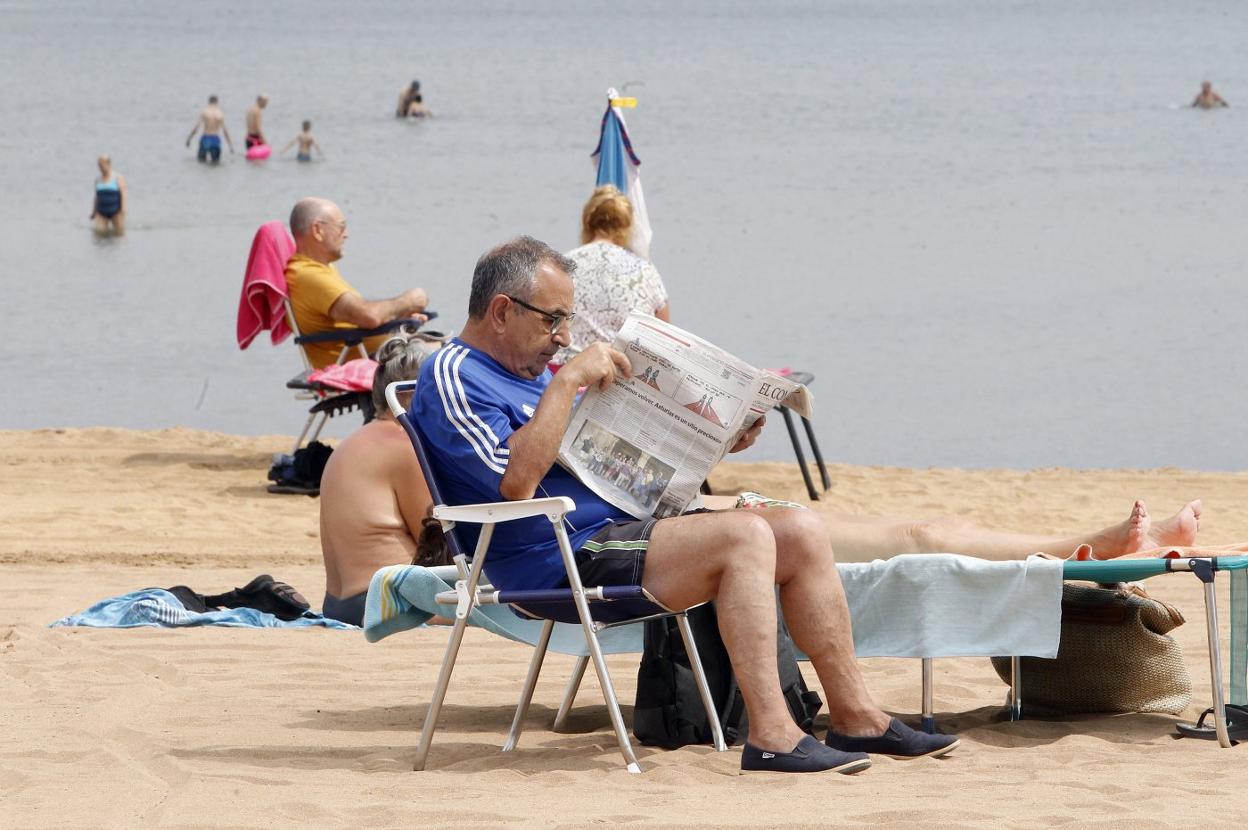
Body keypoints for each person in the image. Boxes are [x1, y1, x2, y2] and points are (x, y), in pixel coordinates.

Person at [411, 236, 960, 774]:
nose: (563, 338)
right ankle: (771, 734)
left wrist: (714, 439)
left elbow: (614, 462)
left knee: (798, 527)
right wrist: (569, 382)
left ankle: (856, 715)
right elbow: (515, 484)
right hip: (552, 559)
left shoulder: (535, 376)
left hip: (615, 530)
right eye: (553, 320)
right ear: (502, 311)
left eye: (567, 322)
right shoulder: (455, 374)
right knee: (744, 536)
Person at [319, 333, 448, 626]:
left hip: (340, 603)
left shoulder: (352, 442)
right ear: (411, 394)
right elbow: (436, 538)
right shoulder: (403, 445)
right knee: (511, 608)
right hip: (387, 601)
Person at [284, 197, 431, 369]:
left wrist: (398, 318)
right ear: (318, 230)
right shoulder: (308, 275)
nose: (346, 234)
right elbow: (369, 316)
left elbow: (354, 317)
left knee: (448, 350)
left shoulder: (321, 269)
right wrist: (412, 300)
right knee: (452, 360)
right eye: (341, 226)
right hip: (364, 364)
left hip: (378, 354)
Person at [556, 185, 669, 364]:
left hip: (564, 374)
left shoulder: (561, 265)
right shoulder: (645, 271)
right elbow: (664, 336)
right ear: (627, 227)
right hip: (619, 377)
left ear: (587, 222)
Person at [185, 95, 234, 163]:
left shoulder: (204, 112)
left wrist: (189, 139)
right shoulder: (220, 114)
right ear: (217, 102)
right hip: (215, 140)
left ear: (208, 102)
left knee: (201, 162)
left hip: (205, 138)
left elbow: (196, 127)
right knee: (215, 163)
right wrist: (230, 145)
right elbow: (225, 131)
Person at [90, 154, 126, 235]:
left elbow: (123, 194)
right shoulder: (98, 180)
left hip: (116, 211)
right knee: (99, 234)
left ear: (108, 164)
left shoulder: (118, 177)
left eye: (101, 165)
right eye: (99, 165)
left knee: (119, 234)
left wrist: (123, 209)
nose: (100, 168)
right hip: (101, 211)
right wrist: (93, 212)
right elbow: (96, 197)